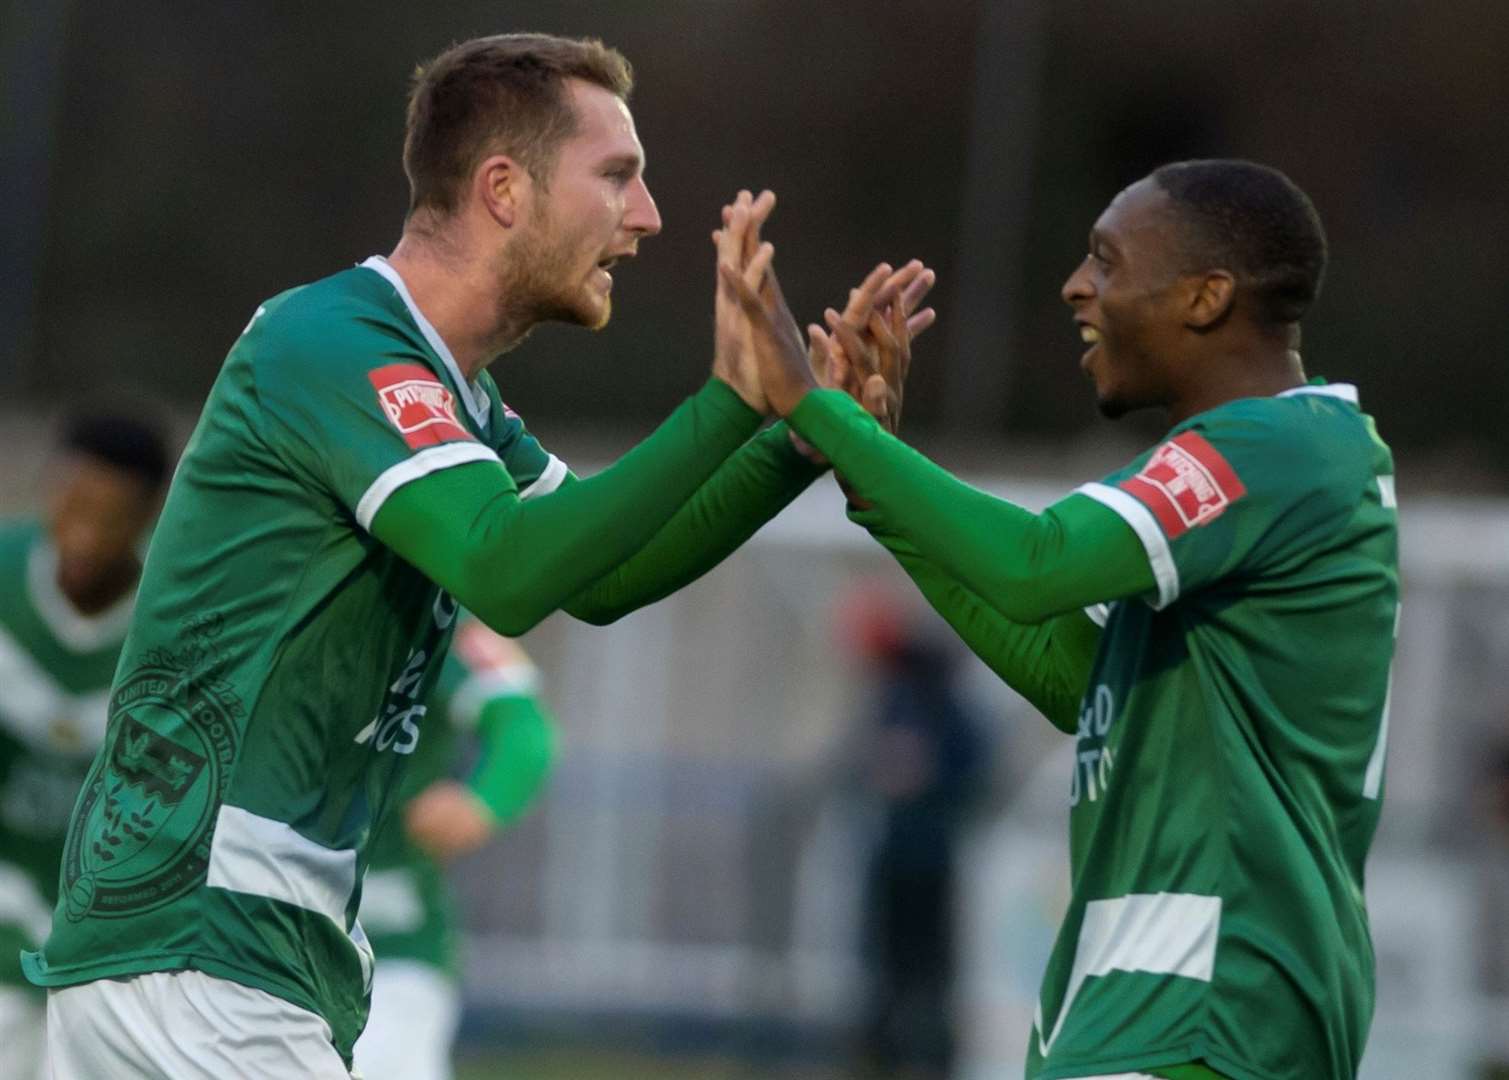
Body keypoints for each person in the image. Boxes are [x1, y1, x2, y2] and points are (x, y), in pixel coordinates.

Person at [24, 32, 933, 1078]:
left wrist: (792, 441)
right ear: (504, 188)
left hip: (215, 953)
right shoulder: (332, 341)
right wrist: (729, 395)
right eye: (618, 177)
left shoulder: (457, 400)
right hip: (200, 948)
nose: (647, 217)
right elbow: (505, 570)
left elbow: (595, 575)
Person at [726, 159, 1399, 1080]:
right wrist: (866, 465)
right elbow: (1069, 674)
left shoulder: (1283, 447)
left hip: (1207, 1002)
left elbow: (1034, 564)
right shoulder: (1265, 477)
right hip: (1159, 1010)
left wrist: (813, 405)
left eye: (1107, 261)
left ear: (1204, 298)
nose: (1075, 286)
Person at [0, 411, 171, 1080]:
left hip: (114, 915)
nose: (82, 530)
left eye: (108, 513)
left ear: (148, 516)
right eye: (71, 500)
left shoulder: (174, 617)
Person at [352, 617, 557, 1080]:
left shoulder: (440, 616)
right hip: (257, 924)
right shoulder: (267, 593)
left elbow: (524, 729)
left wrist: (481, 802)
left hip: (394, 942)